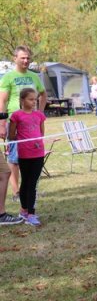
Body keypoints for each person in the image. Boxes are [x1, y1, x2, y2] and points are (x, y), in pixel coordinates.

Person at [0, 45, 47, 202]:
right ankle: (16, 192)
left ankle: (29, 189)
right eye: (22, 58)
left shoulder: (34, 76)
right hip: (14, 121)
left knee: (32, 156)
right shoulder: (8, 77)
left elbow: (43, 94)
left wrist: (39, 112)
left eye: (28, 58)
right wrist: (2, 123)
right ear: (15, 59)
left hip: (32, 124)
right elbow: (2, 100)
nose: (26, 60)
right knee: (14, 158)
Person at [8, 88, 46, 226]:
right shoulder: (16, 116)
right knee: (25, 182)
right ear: (22, 100)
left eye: (35, 99)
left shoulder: (39, 115)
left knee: (33, 184)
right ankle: (24, 211)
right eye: (31, 99)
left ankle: (31, 213)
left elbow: (41, 134)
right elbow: (11, 136)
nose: (34, 101)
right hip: (24, 154)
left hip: (38, 153)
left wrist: (37, 143)